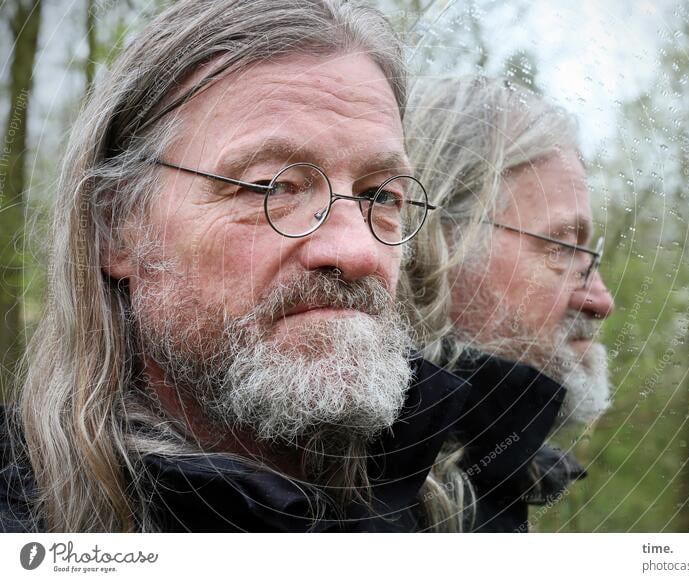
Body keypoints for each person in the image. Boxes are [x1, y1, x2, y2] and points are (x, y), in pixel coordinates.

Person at [0, 0, 474, 533]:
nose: (358, 252)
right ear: (118, 227)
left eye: (381, 196)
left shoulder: (449, 509)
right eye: (272, 187)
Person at [403, 76, 616, 531]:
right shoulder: (316, 512)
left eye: (588, 254)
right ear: (433, 243)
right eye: (559, 247)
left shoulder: (489, 485)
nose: (600, 300)